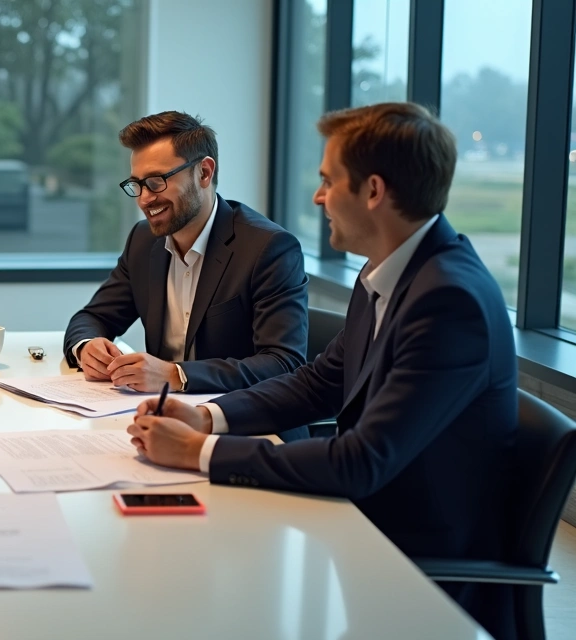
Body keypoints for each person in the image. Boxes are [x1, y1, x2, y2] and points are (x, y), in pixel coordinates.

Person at [126, 102, 516, 638]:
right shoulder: (389, 274)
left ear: (373, 191)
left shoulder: (448, 300)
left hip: (411, 567)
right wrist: (209, 419)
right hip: (358, 526)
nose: (317, 197)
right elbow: (319, 381)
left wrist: (198, 452)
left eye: (328, 181)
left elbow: (361, 461)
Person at [64, 111, 309, 439]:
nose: (144, 199)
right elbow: (92, 316)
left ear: (204, 172)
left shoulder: (268, 248)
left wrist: (177, 375)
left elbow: (283, 363)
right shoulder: (143, 241)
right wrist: (88, 345)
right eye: (136, 185)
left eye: (156, 182)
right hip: (165, 425)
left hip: (248, 432)